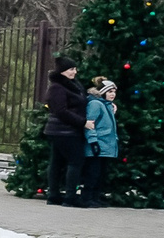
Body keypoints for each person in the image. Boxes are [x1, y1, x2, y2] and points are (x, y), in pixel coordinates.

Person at [41, 60, 85, 204]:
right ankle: (70, 196)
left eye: (75, 68)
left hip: (62, 130)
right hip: (64, 131)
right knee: (75, 162)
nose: (74, 72)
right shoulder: (58, 87)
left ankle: (54, 195)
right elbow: (61, 111)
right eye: (71, 69)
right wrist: (82, 122)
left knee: (57, 162)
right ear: (62, 71)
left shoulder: (71, 85)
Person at [80, 77, 120, 207]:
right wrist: (93, 142)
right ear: (102, 92)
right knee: (93, 174)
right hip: (97, 145)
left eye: (114, 91)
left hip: (106, 146)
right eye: (109, 92)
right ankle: (87, 198)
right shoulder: (95, 104)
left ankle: (95, 197)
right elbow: (90, 124)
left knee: (101, 174)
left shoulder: (108, 106)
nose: (112, 94)